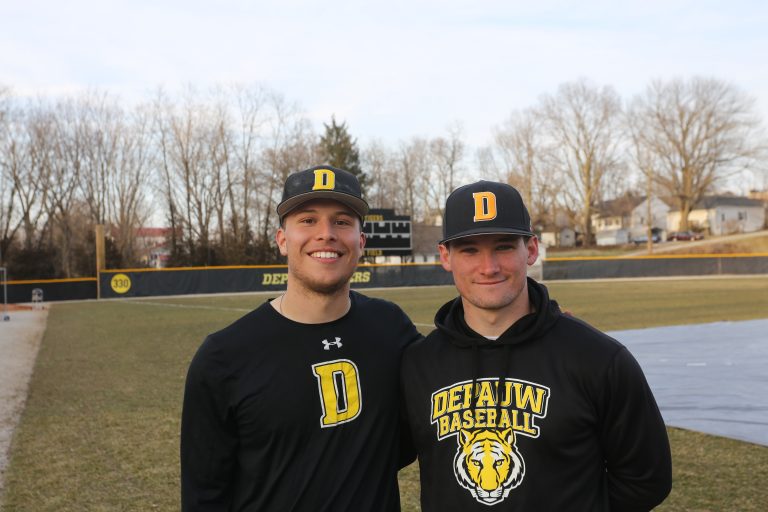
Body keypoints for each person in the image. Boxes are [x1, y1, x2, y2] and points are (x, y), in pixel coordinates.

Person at [401, 180, 672, 511]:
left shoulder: (599, 358)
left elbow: (646, 479)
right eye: (470, 249)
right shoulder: (418, 363)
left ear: (530, 250)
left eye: (503, 246)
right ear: (446, 256)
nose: (489, 267)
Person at [181, 165, 420, 511]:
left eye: (342, 221)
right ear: (282, 240)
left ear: (361, 242)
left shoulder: (391, 328)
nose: (326, 234)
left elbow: (407, 441)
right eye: (307, 220)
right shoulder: (223, 357)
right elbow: (204, 496)